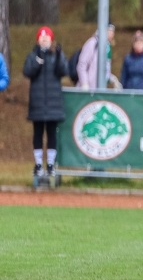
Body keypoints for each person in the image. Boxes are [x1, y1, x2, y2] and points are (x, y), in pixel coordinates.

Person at [22, 27, 69, 178]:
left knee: (51, 134)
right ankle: (37, 164)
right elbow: (28, 72)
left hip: (53, 103)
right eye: (41, 37)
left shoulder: (56, 55)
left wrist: (60, 55)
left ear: (51, 39)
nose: (44, 39)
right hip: (38, 102)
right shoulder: (32, 55)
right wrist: (39, 60)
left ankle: (50, 164)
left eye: (47, 37)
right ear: (37, 40)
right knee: (37, 133)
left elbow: (63, 71)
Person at [76, 24, 118, 90]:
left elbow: (105, 69)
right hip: (88, 88)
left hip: (100, 88)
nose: (111, 34)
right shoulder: (92, 43)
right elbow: (82, 65)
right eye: (109, 31)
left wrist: (112, 79)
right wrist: (84, 83)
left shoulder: (107, 47)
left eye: (112, 32)